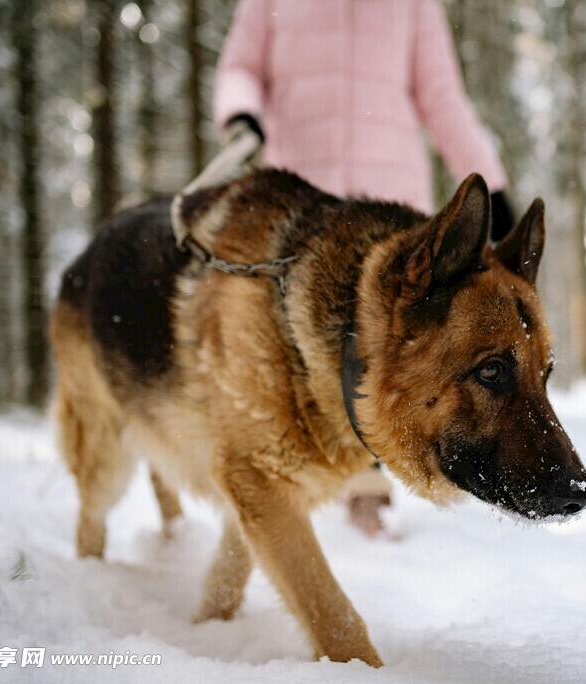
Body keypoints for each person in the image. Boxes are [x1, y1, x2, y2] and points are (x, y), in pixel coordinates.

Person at [213, 0, 515, 536]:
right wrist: (242, 115)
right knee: (297, 348)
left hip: (390, 204)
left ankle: (366, 496)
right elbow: (240, 67)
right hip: (305, 199)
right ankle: (294, 475)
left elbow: (442, 98)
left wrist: (490, 184)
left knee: (390, 346)